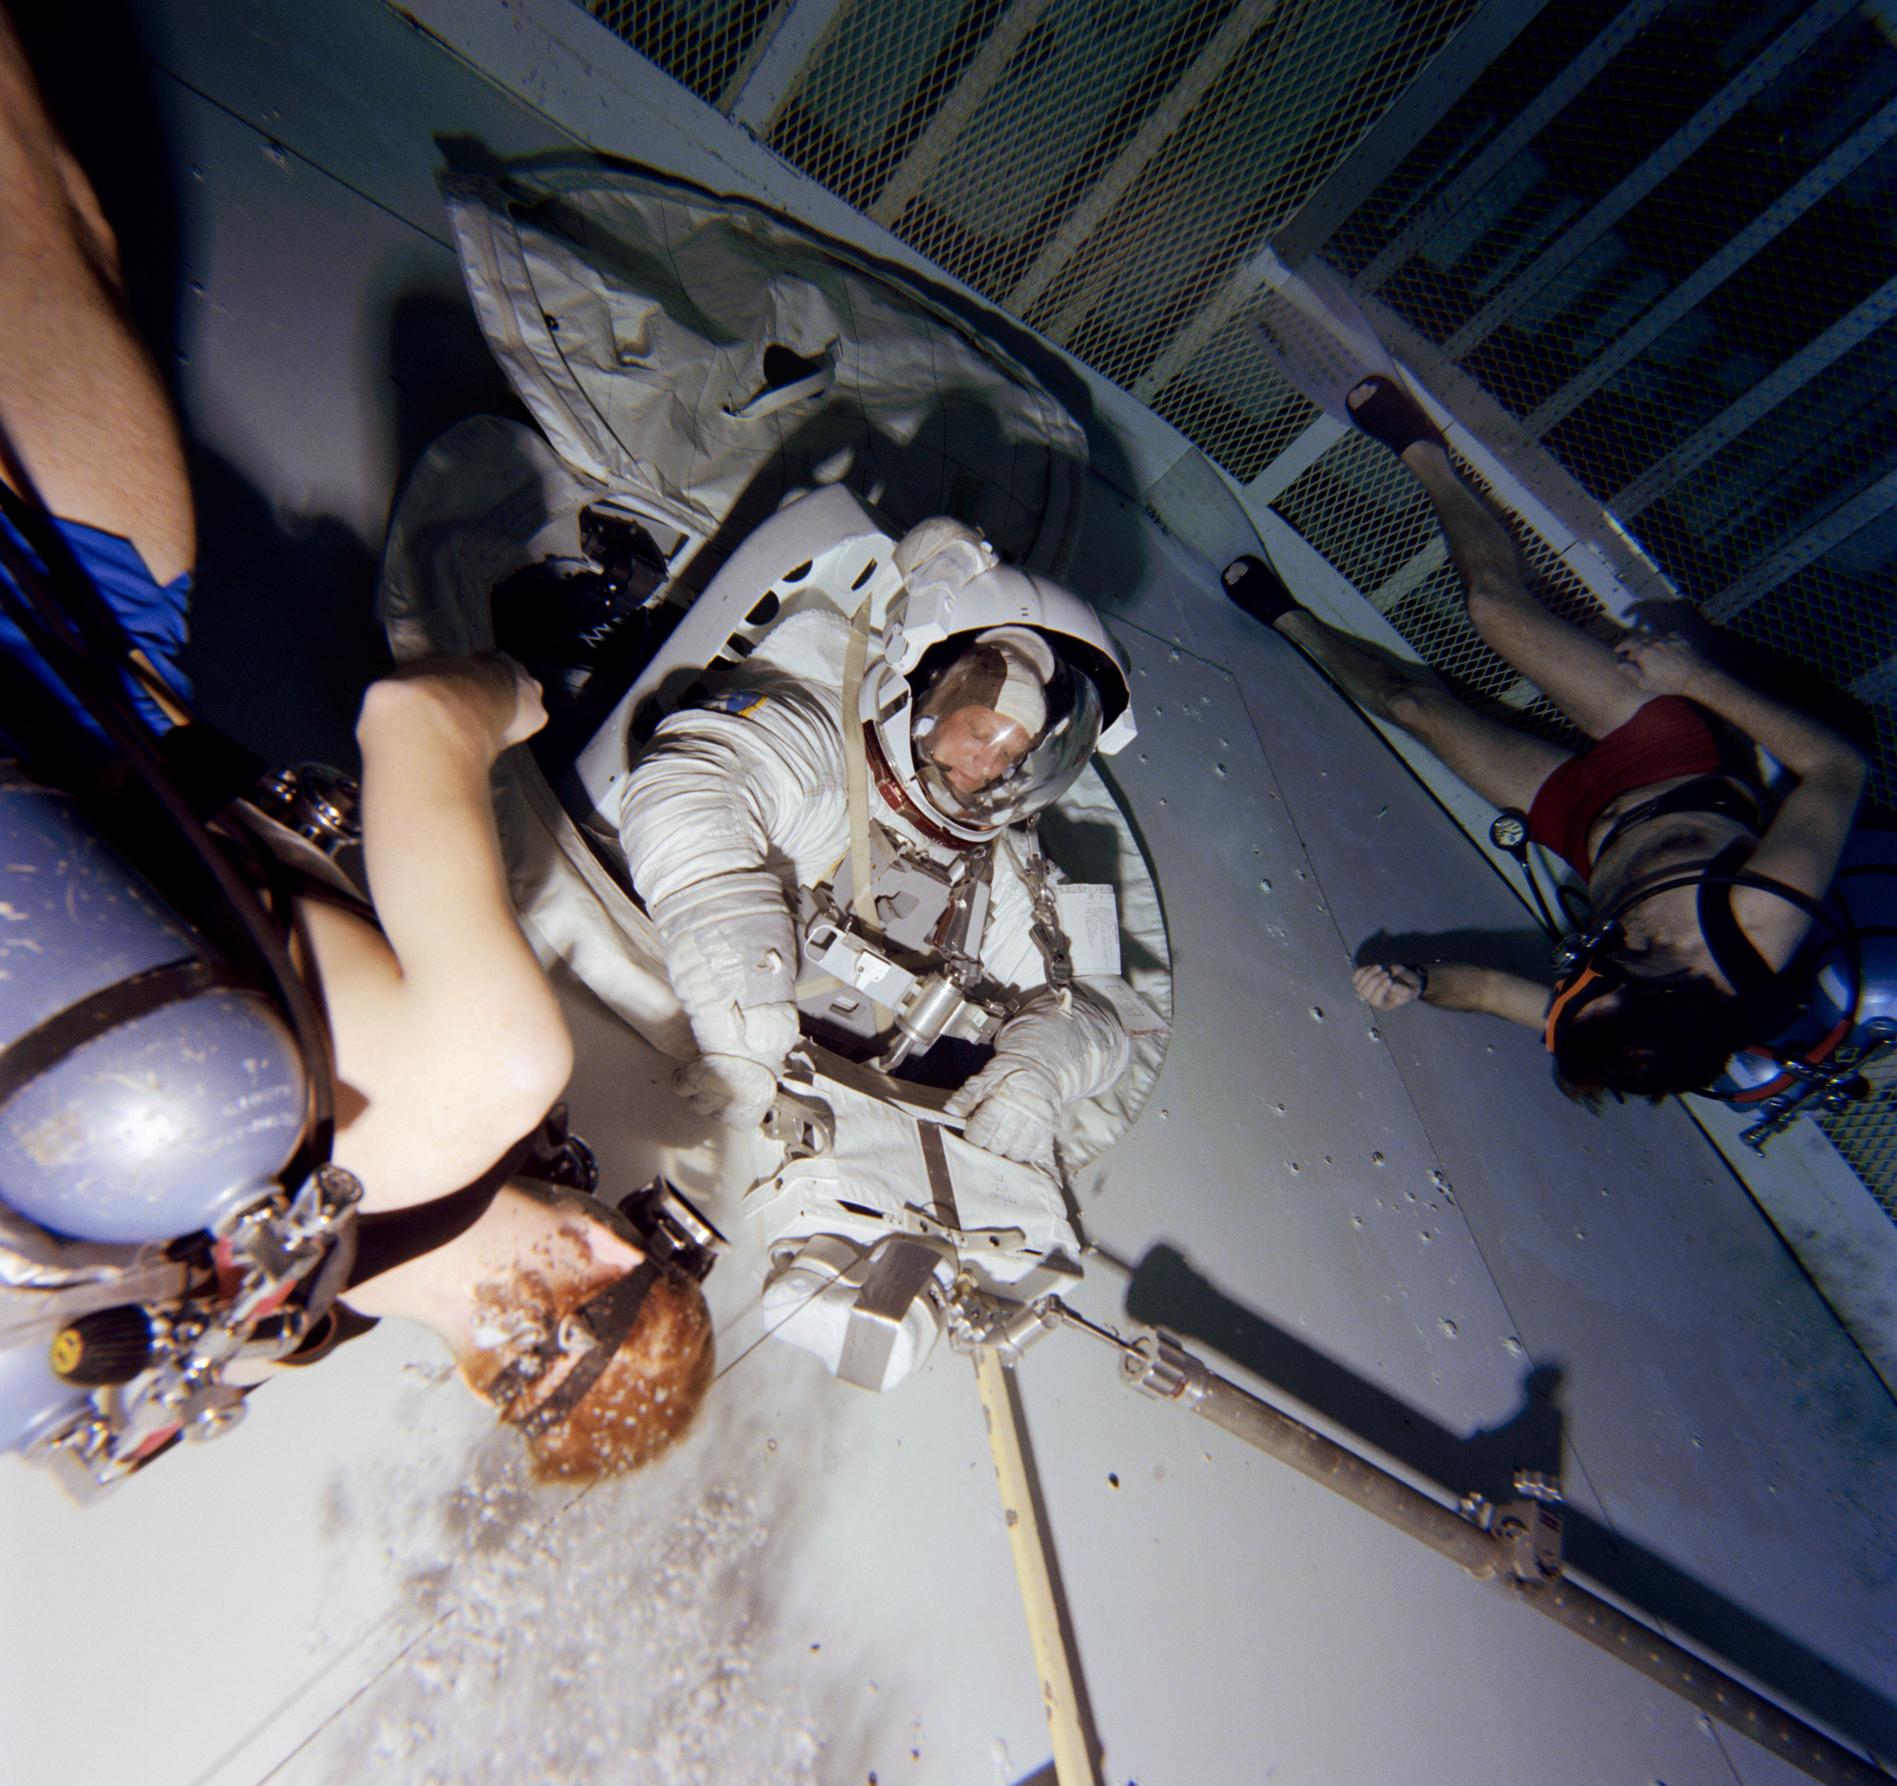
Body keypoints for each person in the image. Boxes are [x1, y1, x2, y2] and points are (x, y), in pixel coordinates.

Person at [0, 2, 708, 1480]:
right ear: (478, 1384)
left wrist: (508, 699)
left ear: (593, 1238)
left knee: (41, 214)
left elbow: (405, 723)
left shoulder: (498, 1067)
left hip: (86, 694)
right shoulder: (284, 1314)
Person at [1222, 374, 1867, 1102]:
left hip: (1586, 830)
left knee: (1414, 707)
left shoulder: (1613, 1027)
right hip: (1674, 765)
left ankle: (1292, 623)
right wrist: (1695, 683)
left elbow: (1494, 991)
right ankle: (1423, 453)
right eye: (1608, 986)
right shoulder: (1756, 923)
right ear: (1668, 996)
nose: (1588, 982)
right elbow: (1836, 768)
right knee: (1493, 609)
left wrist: (1421, 982)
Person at [619, 509, 1137, 1172]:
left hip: (857, 1113)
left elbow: (1101, 1014)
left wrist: (1037, 1072)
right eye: (979, 735)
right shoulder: (821, 746)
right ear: (930, 700)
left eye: (1012, 757)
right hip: (709, 1043)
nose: (987, 769)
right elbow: (687, 786)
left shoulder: (1007, 867)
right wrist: (740, 1019)